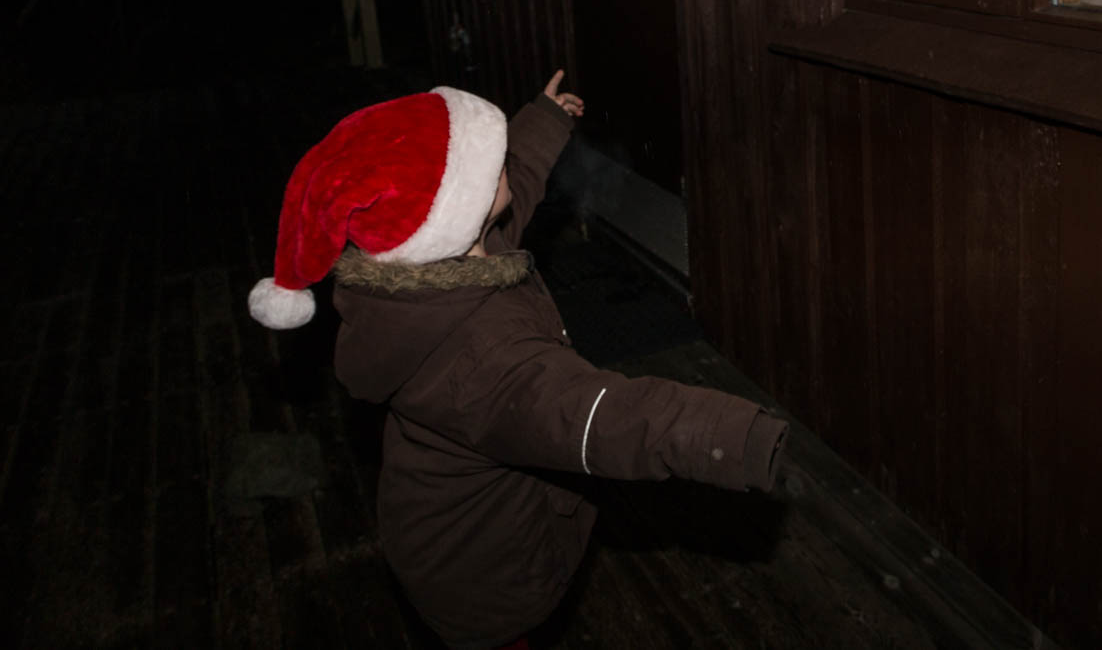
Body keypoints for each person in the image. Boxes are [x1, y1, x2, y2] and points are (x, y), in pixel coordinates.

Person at [247, 73, 789, 650]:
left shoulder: (436, 267)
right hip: (482, 582)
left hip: (438, 531)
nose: (501, 158)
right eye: (487, 164)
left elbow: (518, 182)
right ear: (457, 208)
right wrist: (735, 436)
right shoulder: (480, 362)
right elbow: (605, 417)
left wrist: (545, 118)